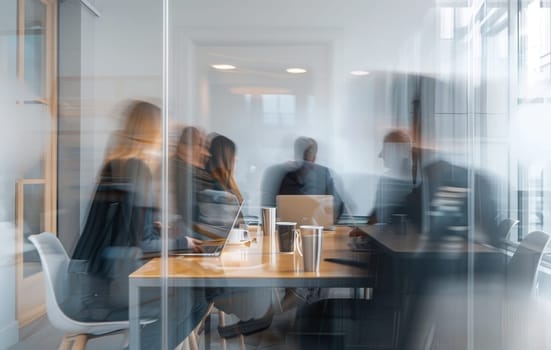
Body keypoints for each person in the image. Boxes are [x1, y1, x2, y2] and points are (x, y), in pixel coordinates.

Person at [69, 101, 208, 349]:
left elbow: (122, 231)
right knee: (191, 299)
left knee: (190, 297)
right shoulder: (137, 168)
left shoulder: (117, 163)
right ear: (150, 132)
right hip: (105, 290)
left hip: (91, 281)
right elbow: (138, 245)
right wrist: (182, 242)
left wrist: (152, 225)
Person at [202, 134, 275, 337]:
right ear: (227, 159)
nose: (237, 161)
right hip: (222, 274)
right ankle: (254, 323)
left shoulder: (216, 186)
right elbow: (230, 235)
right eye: (234, 157)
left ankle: (252, 323)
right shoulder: (219, 192)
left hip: (222, 265)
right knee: (270, 277)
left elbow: (231, 230)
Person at [277, 137, 344, 219]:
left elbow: (338, 206)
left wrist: (328, 206)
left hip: (317, 226)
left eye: (307, 158)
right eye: (302, 157)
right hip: (289, 227)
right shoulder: (285, 174)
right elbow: (274, 207)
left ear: (314, 158)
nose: (304, 163)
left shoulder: (323, 174)